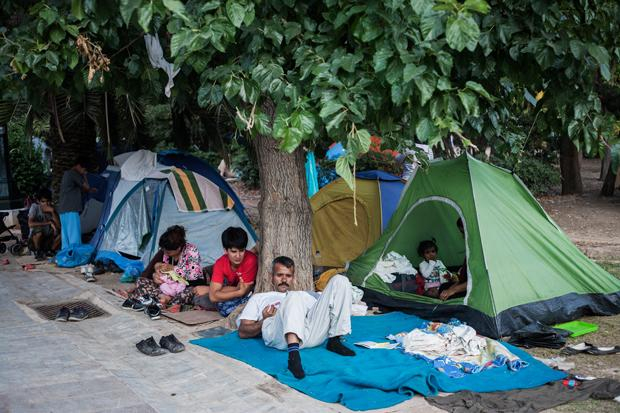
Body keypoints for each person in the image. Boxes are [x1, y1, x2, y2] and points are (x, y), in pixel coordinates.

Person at [238, 256, 355, 379]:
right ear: (271, 276)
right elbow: (242, 331)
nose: (284, 279)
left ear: (293, 278)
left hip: (308, 334)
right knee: (293, 296)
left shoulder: (304, 296)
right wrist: (264, 319)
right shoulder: (259, 298)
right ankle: (293, 357)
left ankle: (334, 340)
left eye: (288, 276)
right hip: (279, 336)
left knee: (340, 280)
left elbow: (326, 309)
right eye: (279, 275)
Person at [124, 225, 203, 307]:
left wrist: (173, 268)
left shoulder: (191, 251)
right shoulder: (166, 250)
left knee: (189, 293)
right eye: (163, 250)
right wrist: (156, 275)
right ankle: (161, 299)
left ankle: (155, 299)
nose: (165, 253)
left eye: (168, 252)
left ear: (179, 248)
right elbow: (154, 269)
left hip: (183, 288)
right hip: (165, 289)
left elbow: (194, 275)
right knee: (141, 281)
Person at [193, 227, 257, 316]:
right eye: (233, 251)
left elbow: (246, 291)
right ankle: (210, 289)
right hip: (229, 287)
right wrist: (238, 291)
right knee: (201, 299)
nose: (238, 256)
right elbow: (213, 297)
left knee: (207, 300)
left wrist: (217, 291)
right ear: (225, 250)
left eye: (242, 251)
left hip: (232, 292)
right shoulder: (220, 263)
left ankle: (209, 289)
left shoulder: (250, 259)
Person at [57, 157, 96, 249]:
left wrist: (89, 189)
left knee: (66, 237)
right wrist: (84, 175)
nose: (84, 170)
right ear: (78, 166)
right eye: (84, 169)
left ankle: (67, 257)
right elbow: (86, 187)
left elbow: (85, 189)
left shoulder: (67, 174)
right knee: (74, 236)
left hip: (63, 210)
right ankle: (75, 256)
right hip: (71, 209)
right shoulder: (74, 174)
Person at [439, 218, 468, 301]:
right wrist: (450, 289)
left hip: (478, 288)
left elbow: (476, 282)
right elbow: (464, 279)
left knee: (449, 296)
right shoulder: (471, 249)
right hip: (466, 284)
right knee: (444, 287)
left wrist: (453, 290)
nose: (462, 236)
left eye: (464, 232)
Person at [28, 188, 60, 260]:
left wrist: (52, 212)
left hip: (48, 239)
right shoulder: (35, 207)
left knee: (64, 232)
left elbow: (59, 226)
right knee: (39, 231)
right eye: (43, 202)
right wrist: (48, 222)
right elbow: (30, 224)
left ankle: (50, 251)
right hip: (35, 241)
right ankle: (38, 251)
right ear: (38, 201)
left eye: (48, 201)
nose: (46, 204)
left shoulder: (52, 208)